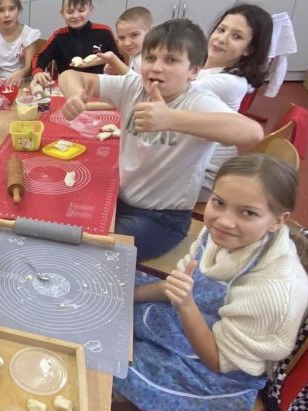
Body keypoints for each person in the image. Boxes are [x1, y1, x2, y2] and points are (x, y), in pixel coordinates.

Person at [119, 155, 308, 411]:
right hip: (196, 312)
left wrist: (186, 306)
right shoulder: (222, 234)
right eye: (219, 202)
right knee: (109, 291)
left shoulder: (272, 293)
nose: (224, 221)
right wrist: (126, 297)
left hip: (218, 370)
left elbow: (217, 361)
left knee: (110, 362)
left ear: (278, 221)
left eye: (248, 213)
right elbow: (177, 283)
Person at [59, 19, 264, 260]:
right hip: (119, 197)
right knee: (63, 218)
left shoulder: (198, 101)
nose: (156, 68)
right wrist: (75, 96)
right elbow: (70, 75)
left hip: (162, 219)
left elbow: (252, 133)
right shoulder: (133, 86)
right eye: (150, 58)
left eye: (171, 60)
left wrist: (171, 119)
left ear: (194, 71)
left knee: (87, 251)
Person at [195, 4, 272, 190]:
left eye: (236, 36)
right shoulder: (203, 66)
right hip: (191, 161)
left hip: (204, 175)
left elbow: (168, 90)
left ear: (249, 49)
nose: (222, 39)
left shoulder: (230, 82)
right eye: (221, 30)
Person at [32, 0, 118, 79]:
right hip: (68, 83)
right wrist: (38, 72)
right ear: (62, 14)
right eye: (70, 12)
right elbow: (40, 57)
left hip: (99, 82)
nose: (76, 16)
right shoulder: (59, 36)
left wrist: (113, 66)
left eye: (81, 10)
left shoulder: (104, 32)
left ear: (91, 9)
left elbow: (118, 58)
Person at [102, 4, 153, 75]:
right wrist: (119, 70)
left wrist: (118, 65)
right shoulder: (137, 53)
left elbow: (139, 81)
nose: (127, 43)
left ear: (151, 31)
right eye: (121, 37)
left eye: (134, 35)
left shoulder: (151, 60)